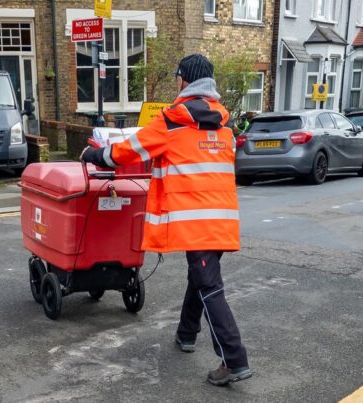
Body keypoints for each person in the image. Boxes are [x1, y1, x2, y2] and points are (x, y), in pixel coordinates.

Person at [81, 54, 251, 386]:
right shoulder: (225, 125)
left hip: (193, 221)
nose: (176, 82)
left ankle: (234, 359)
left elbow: (125, 152)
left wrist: (94, 155)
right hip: (221, 219)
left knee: (210, 286)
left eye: (177, 78)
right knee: (200, 277)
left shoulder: (172, 122)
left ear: (184, 81)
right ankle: (186, 334)